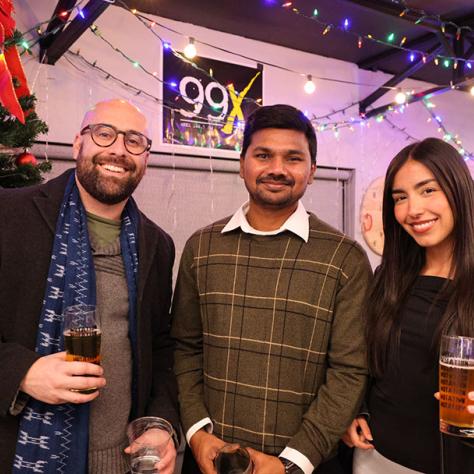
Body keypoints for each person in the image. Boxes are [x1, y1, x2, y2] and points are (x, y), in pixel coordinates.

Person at [171, 104, 372, 474]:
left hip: (305, 466)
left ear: (312, 171)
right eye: (263, 155)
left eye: (293, 158)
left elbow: (349, 371)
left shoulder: (345, 259)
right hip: (209, 461)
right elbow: (185, 347)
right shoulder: (201, 248)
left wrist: (291, 463)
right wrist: (197, 432)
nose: (277, 169)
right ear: (243, 162)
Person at [0, 99, 179, 473]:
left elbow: (161, 346)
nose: (118, 149)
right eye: (104, 134)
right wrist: (20, 373)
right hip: (21, 453)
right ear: (78, 143)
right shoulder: (10, 215)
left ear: (146, 158)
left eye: (134, 140)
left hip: (121, 460)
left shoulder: (157, 245)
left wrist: (162, 424)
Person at [342, 137, 474, 474]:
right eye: (400, 197)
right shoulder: (391, 276)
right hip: (374, 459)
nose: (412, 210)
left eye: (428, 190)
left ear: (458, 189)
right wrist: (357, 409)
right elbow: (370, 362)